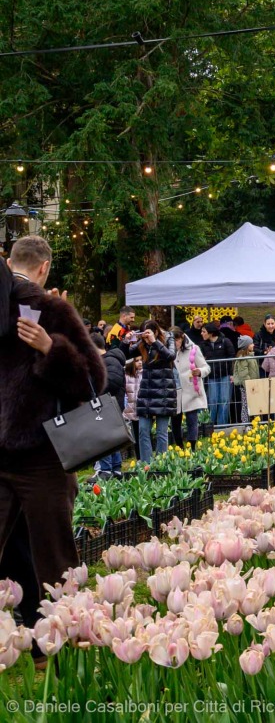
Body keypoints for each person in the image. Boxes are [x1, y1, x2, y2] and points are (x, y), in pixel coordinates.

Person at [0, 237, 105, 631]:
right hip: (43, 456)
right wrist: (53, 348)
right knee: (56, 558)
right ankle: (68, 646)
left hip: (17, 453)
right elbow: (93, 381)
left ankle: (44, 639)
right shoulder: (52, 309)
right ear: (44, 267)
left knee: (46, 555)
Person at [90, 332, 129, 480]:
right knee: (111, 437)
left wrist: (94, 385)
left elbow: (113, 382)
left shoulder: (109, 360)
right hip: (109, 403)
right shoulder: (106, 360)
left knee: (104, 438)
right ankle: (115, 469)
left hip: (108, 404)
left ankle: (106, 470)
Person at [136, 320, 177, 462]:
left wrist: (154, 342)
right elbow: (127, 353)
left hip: (164, 392)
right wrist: (127, 341)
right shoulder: (143, 344)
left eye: (148, 333)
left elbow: (171, 356)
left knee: (161, 432)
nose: (146, 338)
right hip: (146, 392)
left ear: (156, 331)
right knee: (143, 431)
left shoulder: (168, 337)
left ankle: (161, 465)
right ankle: (146, 464)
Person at [171, 328, 210, 451]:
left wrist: (200, 371)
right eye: (173, 340)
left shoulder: (194, 349)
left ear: (182, 337)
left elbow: (206, 367)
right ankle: (179, 447)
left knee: (192, 419)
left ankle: (192, 447)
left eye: (177, 339)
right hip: (175, 390)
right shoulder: (169, 351)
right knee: (175, 421)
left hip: (191, 390)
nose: (175, 343)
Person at [199, 322, 235, 427]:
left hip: (224, 375)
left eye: (204, 331)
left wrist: (231, 373)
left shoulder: (225, 341)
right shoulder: (203, 345)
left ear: (211, 333)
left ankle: (222, 425)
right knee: (212, 401)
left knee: (224, 400)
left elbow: (232, 357)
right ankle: (210, 425)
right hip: (211, 376)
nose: (202, 333)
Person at [230, 335, 258, 423]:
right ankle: (245, 423)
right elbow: (244, 374)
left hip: (251, 385)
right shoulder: (243, 358)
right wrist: (249, 386)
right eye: (251, 343)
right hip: (246, 386)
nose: (253, 345)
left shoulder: (249, 356)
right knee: (246, 405)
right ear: (246, 346)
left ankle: (252, 422)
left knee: (251, 404)